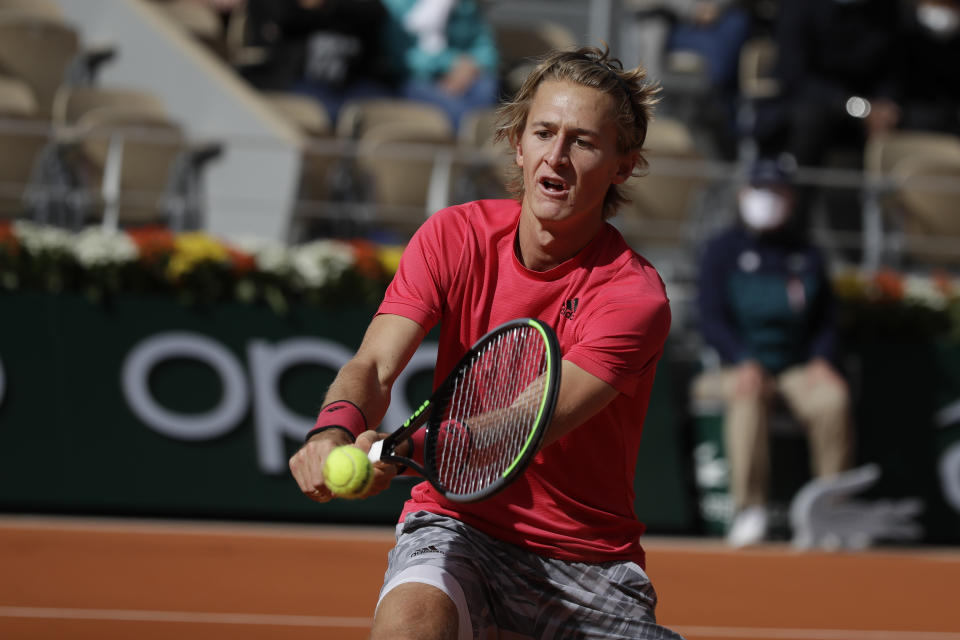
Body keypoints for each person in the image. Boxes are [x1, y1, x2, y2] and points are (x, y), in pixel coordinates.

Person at [289, 46, 686, 640]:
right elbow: (372, 364)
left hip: (588, 559)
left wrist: (395, 452)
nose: (557, 156)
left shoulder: (634, 298)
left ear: (622, 166)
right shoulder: (453, 235)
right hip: (455, 524)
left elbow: (522, 425)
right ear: (517, 143)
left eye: (583, 141)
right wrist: (333, 429)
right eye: (544, 133)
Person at [692, 156, 854, 548]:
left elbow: (826, 321)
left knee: (833, 399)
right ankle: (750, 509)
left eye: (777, 192)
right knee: (748, 393)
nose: (767, 199)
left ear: (792, 199)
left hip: (796, 369)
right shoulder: (722, 250)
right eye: (760, 190)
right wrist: (741, 359)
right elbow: (710, 319)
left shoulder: (808, 253)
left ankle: (829, 511)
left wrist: (822, 359)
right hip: (735, 368)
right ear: (744, 194)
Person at [242, 0, 392, 123]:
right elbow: (281, 15)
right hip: (297, 84)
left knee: (389, 114)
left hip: (353, 86)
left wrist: (327, 6)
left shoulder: (364, 9)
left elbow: (374, 11)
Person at [378, 0, 500, 132]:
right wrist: (451, 64)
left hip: (467, 76)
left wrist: (472, 66)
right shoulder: (397, 5)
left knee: (487, 87)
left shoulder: (465, 5)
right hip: (416, 79)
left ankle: (481, 137)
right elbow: (402, 58)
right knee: (461, 115)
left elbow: (487, 49)